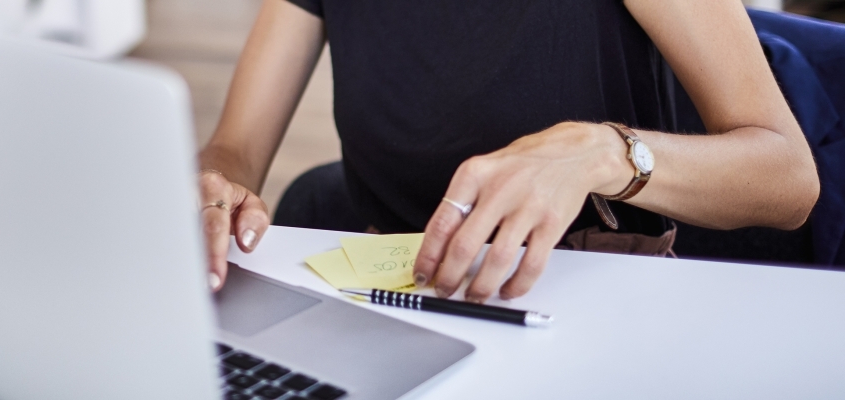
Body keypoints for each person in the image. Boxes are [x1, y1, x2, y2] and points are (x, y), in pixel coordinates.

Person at [197, 0, 820, 303]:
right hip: (393, 292)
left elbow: (787, 179)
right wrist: (214, 185)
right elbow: (237, 145)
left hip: (579, 292)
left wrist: (601, 152)